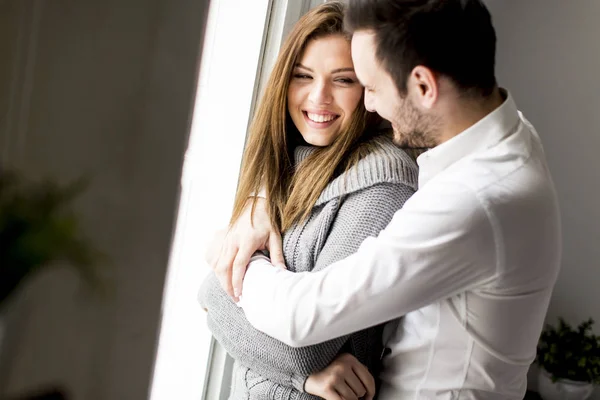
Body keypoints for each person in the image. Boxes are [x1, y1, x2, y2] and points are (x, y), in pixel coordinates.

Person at [209, 0, 562, 399]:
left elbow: (301, 316)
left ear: (424, 86)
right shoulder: (507, 133)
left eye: (371, 87)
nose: (370, 105)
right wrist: (258, 200)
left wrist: (224, 252)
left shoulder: (473, 200)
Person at [198, 2, 418, 399]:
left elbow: (307, 346)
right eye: (303, 76)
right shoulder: (290, 163)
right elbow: (212, 297)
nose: (319, 97)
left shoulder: (383, 181)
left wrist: (220, 268)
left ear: (368, 89)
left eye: (343, 80)